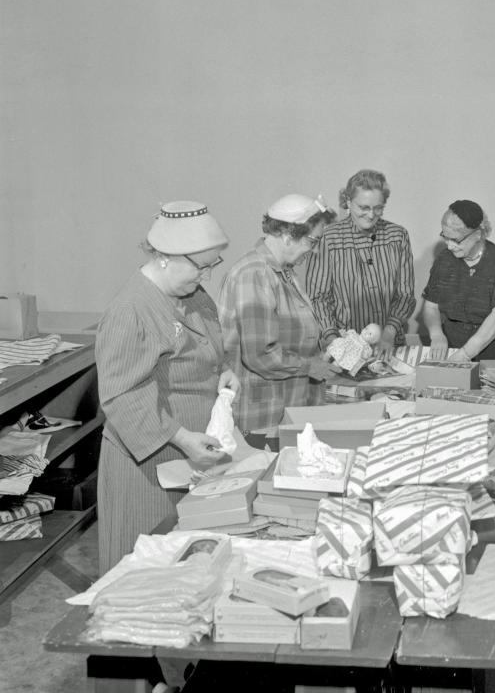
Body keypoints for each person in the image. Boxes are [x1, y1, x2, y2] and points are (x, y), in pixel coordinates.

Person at [95, 201, 237, 574]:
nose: (205, 277)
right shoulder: (131, 310)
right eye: (199, 266)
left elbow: (207, 350)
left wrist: (221, 371)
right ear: (163, 256)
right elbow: (121, 396)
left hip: (188, 460)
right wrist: (182, 437)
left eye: (211, 266)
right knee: (144, 572)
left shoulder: (194, 295)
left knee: (185, 570)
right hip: (148, 466)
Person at [218, 194, 337, 442]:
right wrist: (310, 366)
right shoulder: (255, 273)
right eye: (312, 241)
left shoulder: (282, 272)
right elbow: (261, 354)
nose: (313, 250)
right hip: (264, 417)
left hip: (287, 406)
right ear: (287, 234)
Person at [304, 169, 415, 358]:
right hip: (343, 347)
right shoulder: (328, 238)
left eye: (378, 208)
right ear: (348, 202)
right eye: (364, 207)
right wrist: (333, 340)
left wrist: (388, 333)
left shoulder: (397, 236)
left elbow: (405, 295)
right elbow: (318, 298)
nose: (371, 215)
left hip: (389, 345)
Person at [421, 200, 495, 361]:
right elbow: (431, 306)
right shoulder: (444, 260)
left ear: (478, 234)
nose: (449, 246)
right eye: (445, 237)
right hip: (454, 346)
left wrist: (466, 353)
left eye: (456, 240)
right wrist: (436, 334)